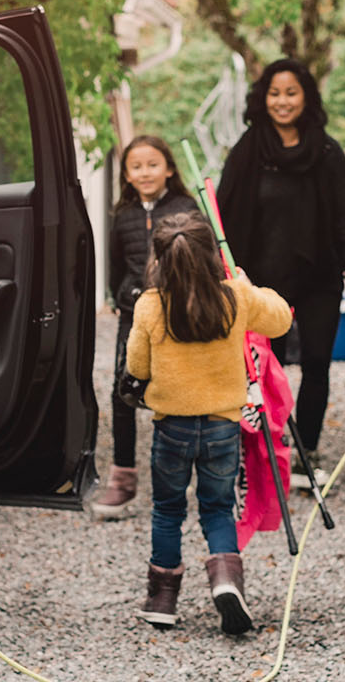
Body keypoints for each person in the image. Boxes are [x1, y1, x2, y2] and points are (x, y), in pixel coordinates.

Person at [125, 211, 292, 634]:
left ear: (160, 258)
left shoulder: (149, 305)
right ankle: (225, 582)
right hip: (222, 427)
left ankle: (162, 598)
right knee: (217, 508)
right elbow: (281, 318)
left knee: (167, 510)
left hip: (172, 428)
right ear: (212, 256)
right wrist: (247, 284)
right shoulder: (236, 297)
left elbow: (136, 365)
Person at [216, 58, 345, 491]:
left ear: (306, 98)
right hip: (263, 282)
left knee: (318, 363)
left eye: (291, 92)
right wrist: (227, 275)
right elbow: (224, 215)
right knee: (268, 366)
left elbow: (344, 216)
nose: (282, 101)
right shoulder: (249, 150)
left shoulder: (327, 151)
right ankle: (272, 447)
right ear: (264, 97)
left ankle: (307, 452)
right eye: (275, 93)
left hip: (319, 274)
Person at [90, 136, 200, 520]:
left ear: (169, 168)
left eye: (152, 164)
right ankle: (123, 478)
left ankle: (176, 474)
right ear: (126, 174)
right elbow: (116, 265)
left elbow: (202, 261)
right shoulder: (122, 214)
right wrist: (123, 295)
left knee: (173, 393)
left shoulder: (187, 209)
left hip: (177, 316)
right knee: (124, 390)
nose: (145, 172)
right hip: (133, 316)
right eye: (135, 166)